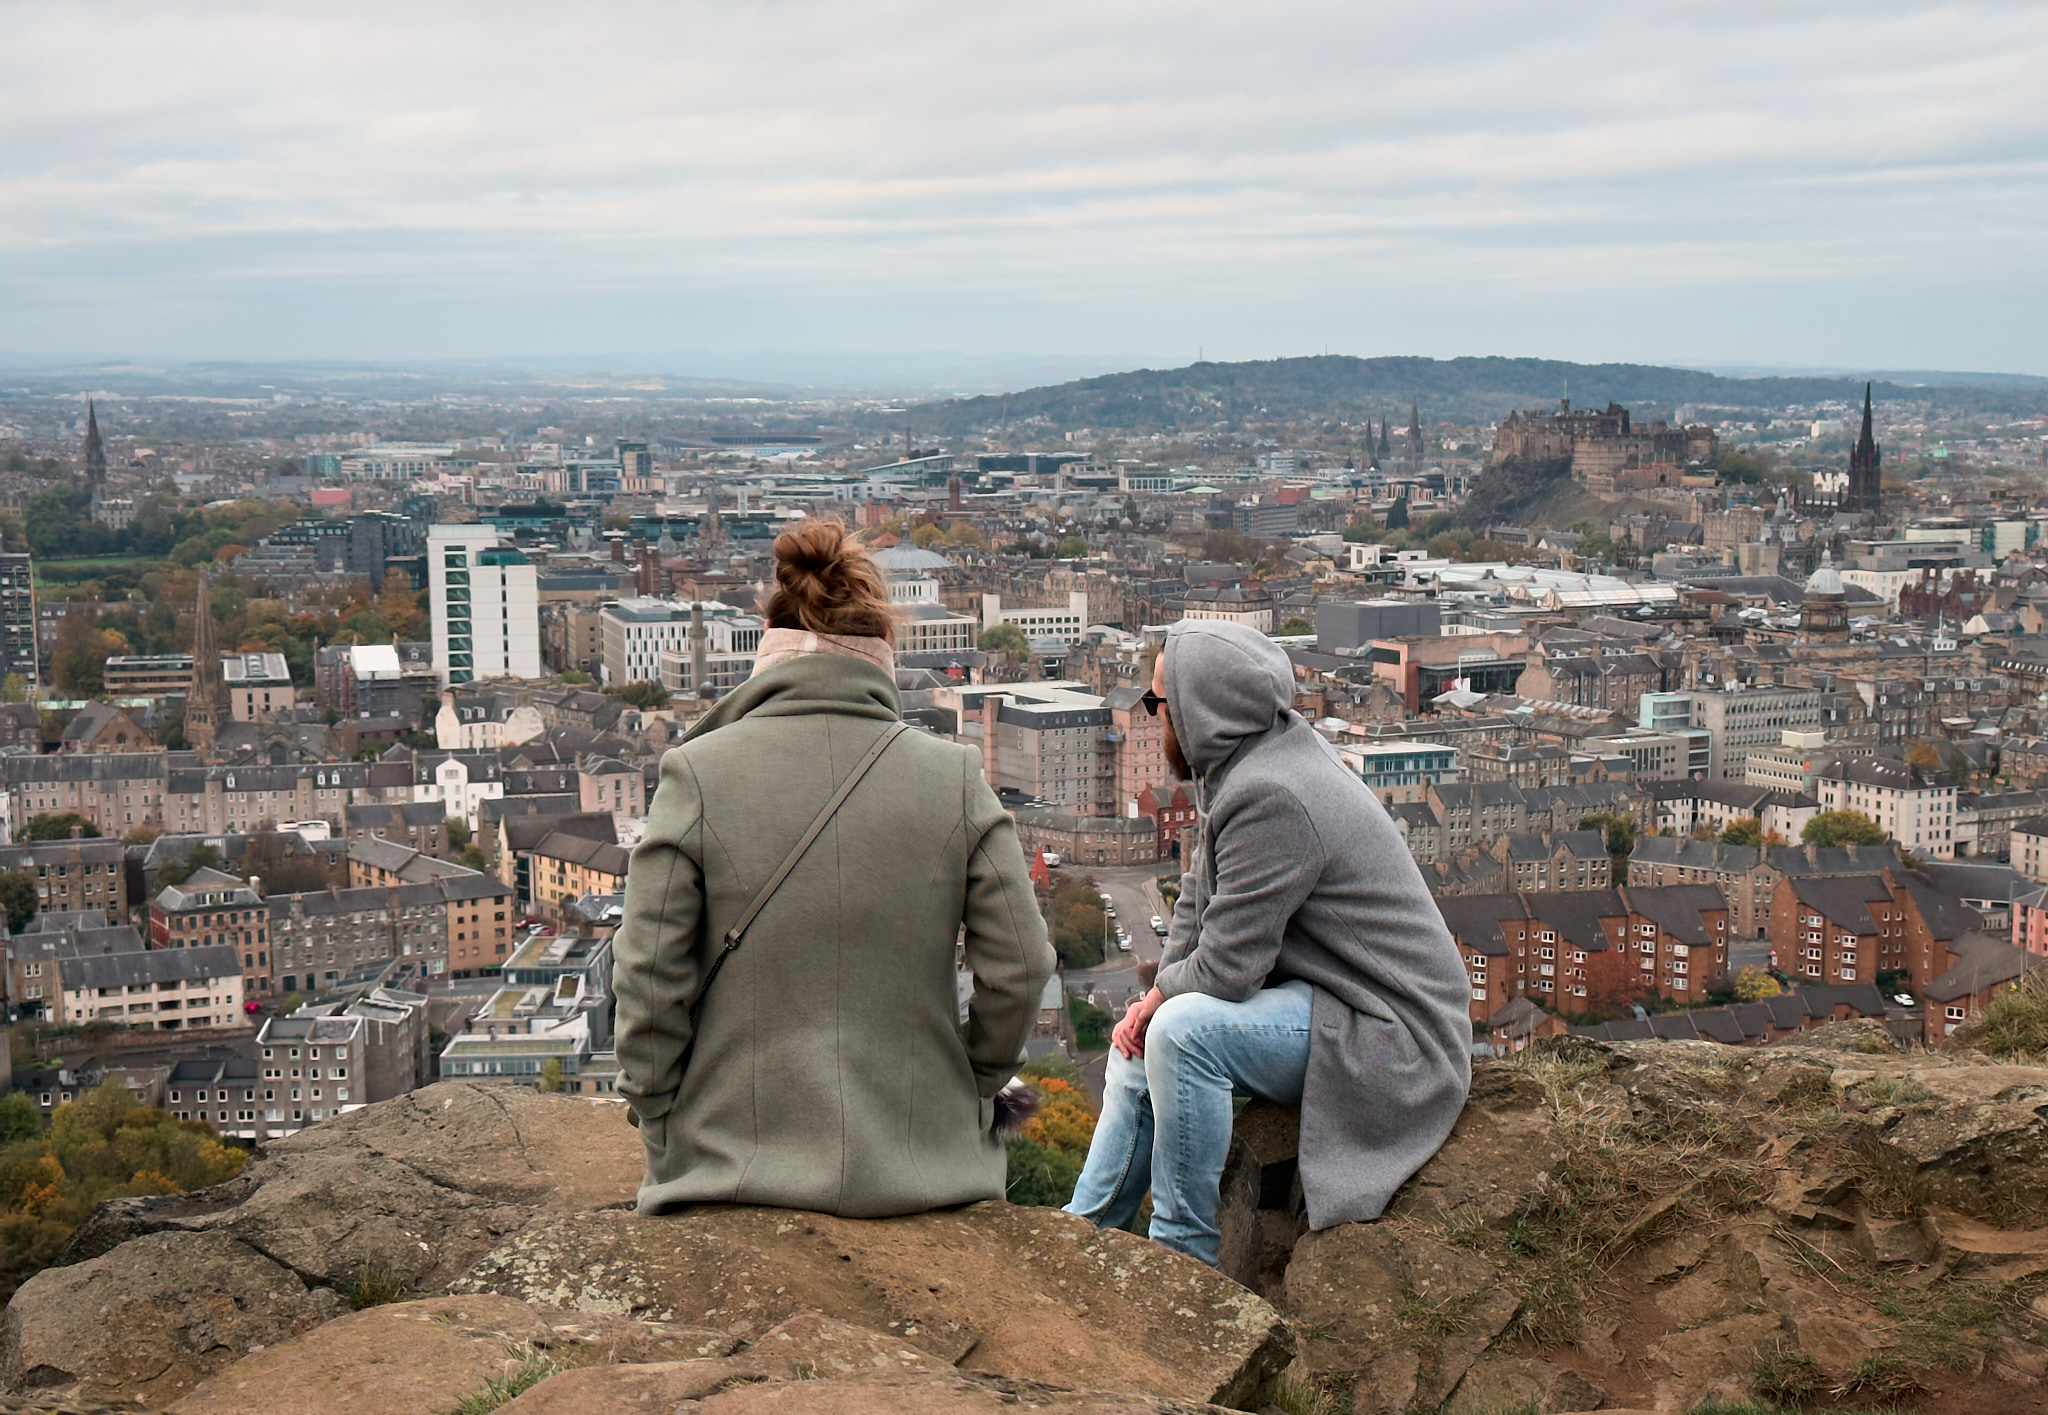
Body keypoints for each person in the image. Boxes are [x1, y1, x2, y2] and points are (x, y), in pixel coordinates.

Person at [614, 520, 1056, 1218]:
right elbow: (1025, 964)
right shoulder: (954, 774)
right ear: (882, 652)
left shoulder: (696, 771)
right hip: (928, 1167)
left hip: (731, 1164)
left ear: (771, 647)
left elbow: (645, 976)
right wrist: (972, 1083)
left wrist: (660, 1112)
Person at [1065, 620, 1471, 1264]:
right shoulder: (1247, 766)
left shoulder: (1272, 794)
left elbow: (1227, 970)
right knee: (1145, 1029)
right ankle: (1086, 1230)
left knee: (1181, 1031)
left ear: (1200, 710)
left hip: (1392, 1033)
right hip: (1333, 1001)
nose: (1153, 718)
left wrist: (1162, 1005)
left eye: (1157, 704)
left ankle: (1181, 1252)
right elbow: (1198, 906)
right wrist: (1150, 998)